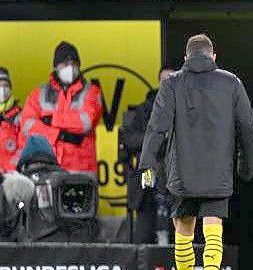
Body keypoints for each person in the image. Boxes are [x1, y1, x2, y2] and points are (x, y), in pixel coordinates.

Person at [139, 34, 253, 270]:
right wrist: (246, 167)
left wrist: (148, 163)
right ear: (213, 56)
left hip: (182, 173)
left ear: (186, 58)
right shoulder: (231, 83)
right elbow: (248, 128)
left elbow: (157, 127)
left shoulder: (171, 83)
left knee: (183, 231)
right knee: (213, 229)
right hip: (218, 172)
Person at [18, 41, 104, 173]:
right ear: (56, 66)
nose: (70, 67)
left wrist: (52, 119)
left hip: (81, 169)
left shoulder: (92, 91)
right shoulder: (39, 93)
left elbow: (85, 122)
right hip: (47, 165)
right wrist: (57, 134)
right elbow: (28, 126)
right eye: (65, 63)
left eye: (74, 63)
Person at [119, 66, 175, 244]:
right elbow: (129, 138)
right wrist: (155, 138)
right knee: (144, 235)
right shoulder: (145, 109)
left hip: (178, 181)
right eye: (164, 80)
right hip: (149, 180)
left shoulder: (188, 109)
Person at [0, 68, 21, 173]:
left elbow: (25, 145)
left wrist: (12, 168)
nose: (2, 90)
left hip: (14, 176)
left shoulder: (20, 116)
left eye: (6, 86)